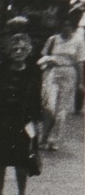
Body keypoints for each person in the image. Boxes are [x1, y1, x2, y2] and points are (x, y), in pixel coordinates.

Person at [0, 21, 44, 195]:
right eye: (15, 48)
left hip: (23, 121)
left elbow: (37, 98)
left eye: (22, 48)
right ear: (9, 51)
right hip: (1, 120)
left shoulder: (34, 72)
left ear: (28, 51)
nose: (18, 52)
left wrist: (36, 121)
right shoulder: (0, 70)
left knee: (22, 160)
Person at [38, 11, 84, 150]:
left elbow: (80, 62)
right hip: (52, 72)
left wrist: (81, 82)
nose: (66, 28)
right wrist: (47, 62)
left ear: (73, 27)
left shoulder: (78, 42)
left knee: (61, 110)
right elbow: (43, 54)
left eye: (69, 26)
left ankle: (54, 139)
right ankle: (44, 135)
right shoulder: (53, 39)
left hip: (69, 73)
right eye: (64, 25)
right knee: (48, 106)